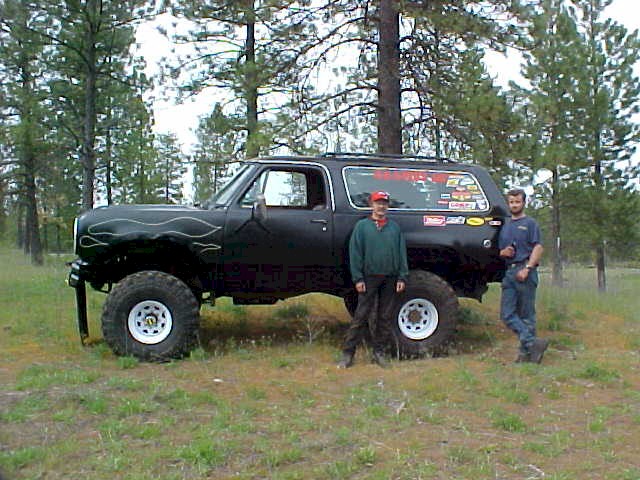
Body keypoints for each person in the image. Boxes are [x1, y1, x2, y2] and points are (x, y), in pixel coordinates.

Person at [338, 190, 409, 368]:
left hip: (390, 278)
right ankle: (348, 353)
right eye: (378, 203)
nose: (381, 206)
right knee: (361, 315)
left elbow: (402, 253)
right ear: (371, 205)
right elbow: (355, 254)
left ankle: (379, 352)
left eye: (384, 203)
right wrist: (358, 278)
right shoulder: (362, 227)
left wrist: (402, 276)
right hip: (368, 278)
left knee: (384, 317)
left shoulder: (394, 228)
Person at [498, 188, 548, 363]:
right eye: (511, 202)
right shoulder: (505, 226)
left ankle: (527, 355)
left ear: (524, 202)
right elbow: (501, 250)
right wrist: (503, 252)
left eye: (517, 202)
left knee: (527, 316)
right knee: (507, 314)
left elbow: (538, 247)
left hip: (525, 271)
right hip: (509, 273)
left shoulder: (530, 223)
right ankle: (533, 343)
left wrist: (527, 268)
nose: (514, 205)